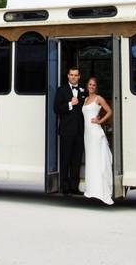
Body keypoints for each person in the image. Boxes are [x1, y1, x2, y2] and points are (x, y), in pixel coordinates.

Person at [52, 67, 85, 195]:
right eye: (71, 75)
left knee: (76, 160)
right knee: (65, 159)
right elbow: (56, 108)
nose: (73, 77)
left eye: (76, 75)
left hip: (80, 131)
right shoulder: (62, 90)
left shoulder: (84, 90)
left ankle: (74, 187)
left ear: (79, 76)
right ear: (68, 76)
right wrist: (70, 104)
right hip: (66, 131)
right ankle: (64, 187)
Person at [82, 77, 114, 205]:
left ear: (96, 87)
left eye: (94, 85)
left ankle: (101, 192)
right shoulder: (85, 100)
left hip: (95, 133)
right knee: (91, 161)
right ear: (87, 86)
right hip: (87, 134)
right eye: (90, 84)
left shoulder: (98, 98)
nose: (91, 86)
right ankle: (92, 190)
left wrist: (100, 121)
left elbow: (109, 111)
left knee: (98, 161)